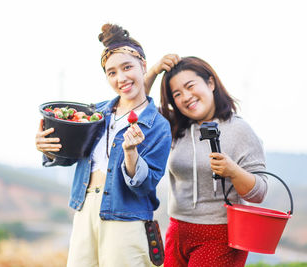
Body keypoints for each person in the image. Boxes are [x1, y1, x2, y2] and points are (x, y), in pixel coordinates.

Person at [35, 24, 172, 267]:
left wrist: (131, 155)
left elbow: (145, 185)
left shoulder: (158, 125)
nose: (121, 78)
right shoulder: (95, 113)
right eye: (111, 72)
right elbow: (69, 155)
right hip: (84, 208)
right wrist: (48, 147)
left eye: (127, 67)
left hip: (127, 217)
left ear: (143, 66)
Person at [146, 56, 268, 267]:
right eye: (177, 94)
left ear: (210, 83)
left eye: (190, 86)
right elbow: (136, 107)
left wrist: (233, 171)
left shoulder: (239, 130)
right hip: (177, 232)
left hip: (220, 235)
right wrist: (154, 71)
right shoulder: (174, 127)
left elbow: (260, 192)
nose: (186, 97)